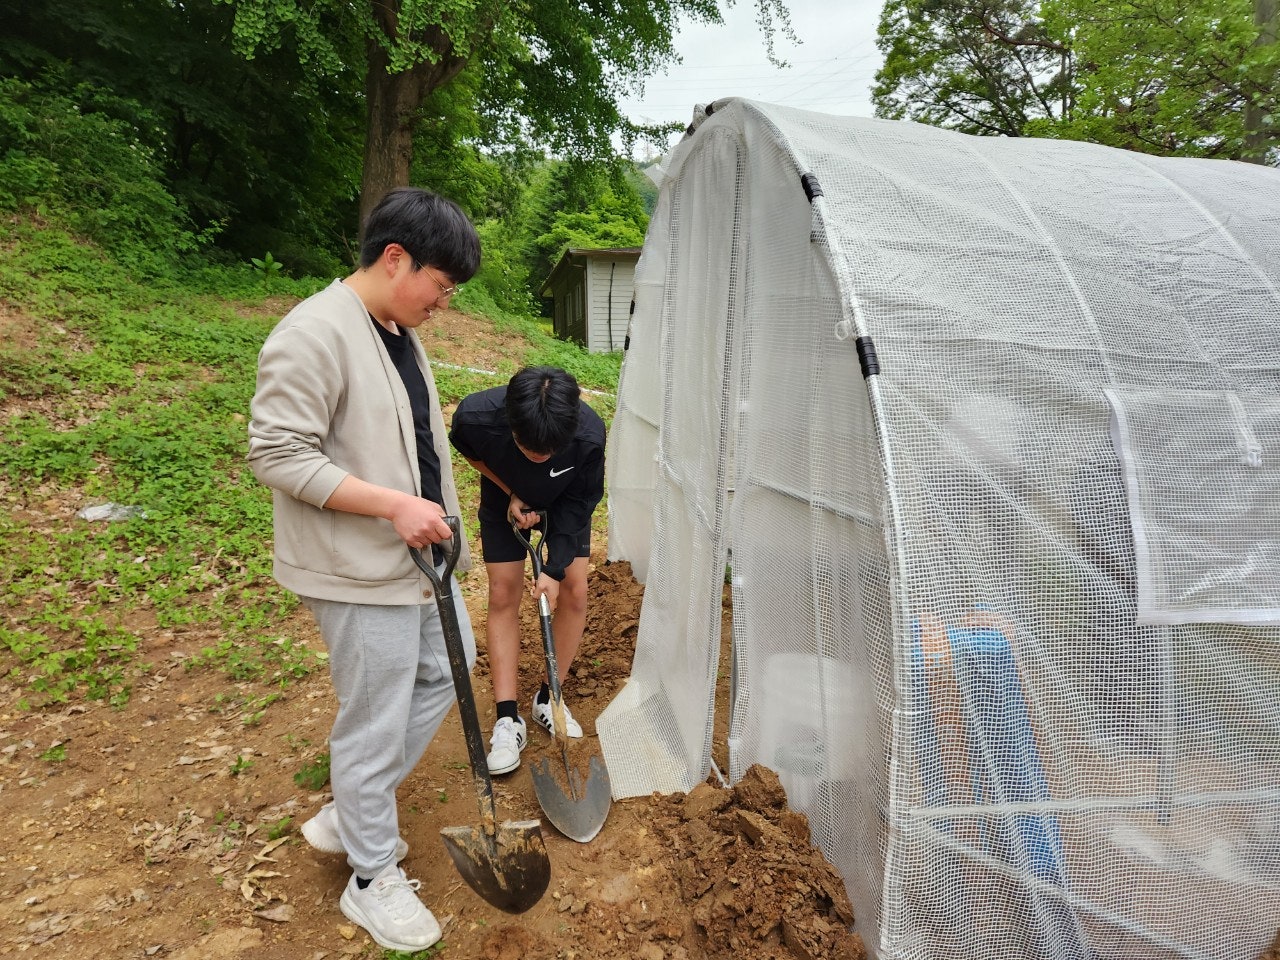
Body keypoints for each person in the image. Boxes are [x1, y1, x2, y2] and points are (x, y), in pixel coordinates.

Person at [247, 187, 478, 953]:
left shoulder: (395, 328)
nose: (443, 302)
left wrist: (443, 520)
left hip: (417, 558)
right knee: (374, 716)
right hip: (356, 566)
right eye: (440, 286)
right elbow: (277, 454)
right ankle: (372, 875)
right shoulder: (312, 333)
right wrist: (391, 507)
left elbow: (416, 440)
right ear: (394, 258)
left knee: (453, 666)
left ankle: (355, 804)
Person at [449, 366, 606, 775]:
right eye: (528, 447)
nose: (539, 457)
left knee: (574, 589)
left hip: (565, 503)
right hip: (506, 500)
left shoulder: (588, 435)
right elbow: (470, 451)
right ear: (508, 420)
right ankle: (507, 718)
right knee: (503, 592)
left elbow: (580, 504)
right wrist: (510, 491)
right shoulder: (476, 417)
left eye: (550, 450)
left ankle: (548, 698)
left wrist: (553, 569)